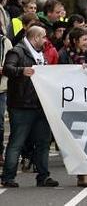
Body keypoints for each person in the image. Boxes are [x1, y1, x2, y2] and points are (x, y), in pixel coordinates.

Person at [1, 26, 59, 188]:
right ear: (35, 38)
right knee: (17, 142)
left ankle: (43, 176)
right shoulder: (18, 51)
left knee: (43, 142)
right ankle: (8, 177)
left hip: (40, 104)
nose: (46, 40)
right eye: (44, 37)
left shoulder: (40, 55)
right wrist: (22, 70)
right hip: (21, 105)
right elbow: (7, 69)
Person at [57, 27, 87, 187]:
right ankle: (80, 173)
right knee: (75, 139)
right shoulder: (64, 55)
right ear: (75, 42)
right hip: (71, 103)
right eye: (84, 40)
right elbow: (58, 76)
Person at [0, 30, 12, 167]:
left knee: (0, 123)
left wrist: (4, 69)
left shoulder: (5, 42)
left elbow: (10, 65)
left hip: (1, 89)